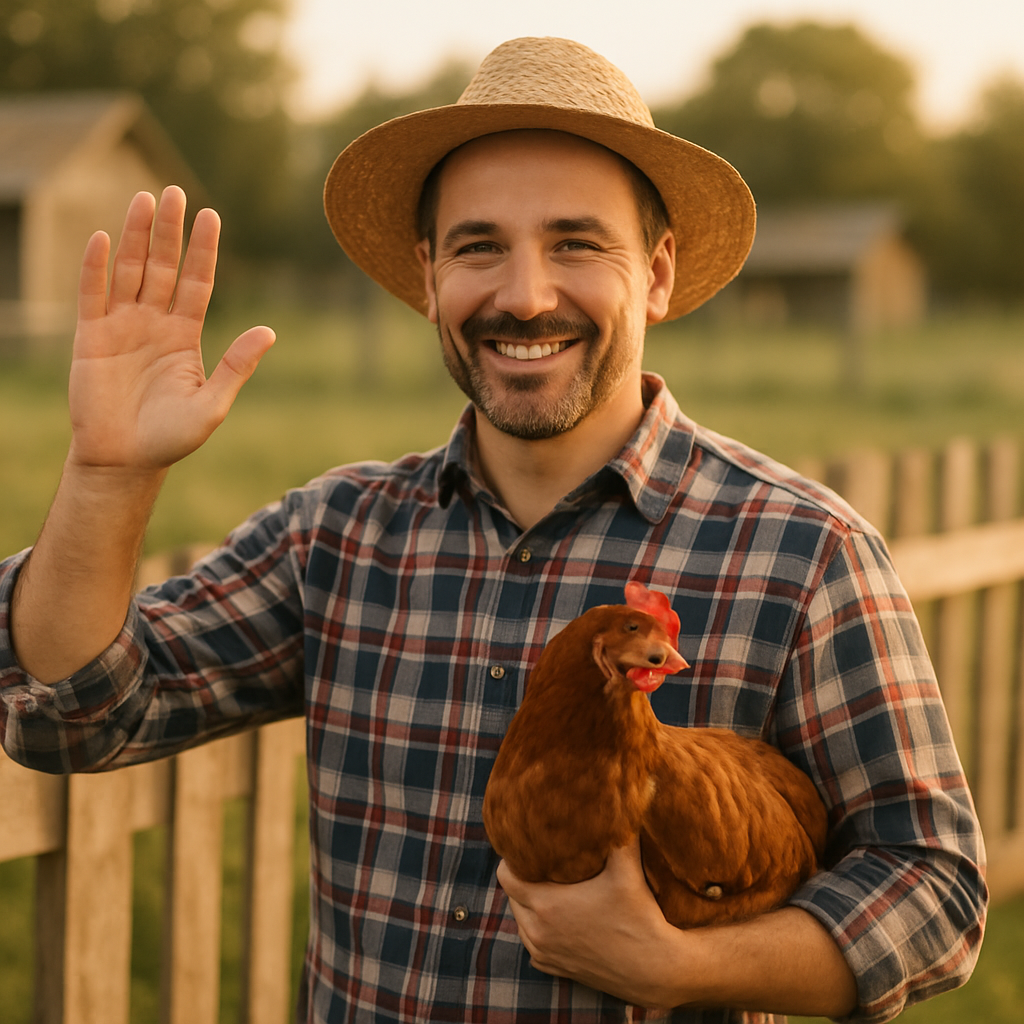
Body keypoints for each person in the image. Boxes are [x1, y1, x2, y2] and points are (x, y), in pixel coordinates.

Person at [0, 37, 984, 1024]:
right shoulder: (336, 539)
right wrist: (107, 472)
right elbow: (79, 712)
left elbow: (934, 889)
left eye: (575, 243)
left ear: (656, 273)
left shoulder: (802, 552)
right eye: (479, 246)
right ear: (428, 276)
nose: (523, 294)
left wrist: (680, 967)